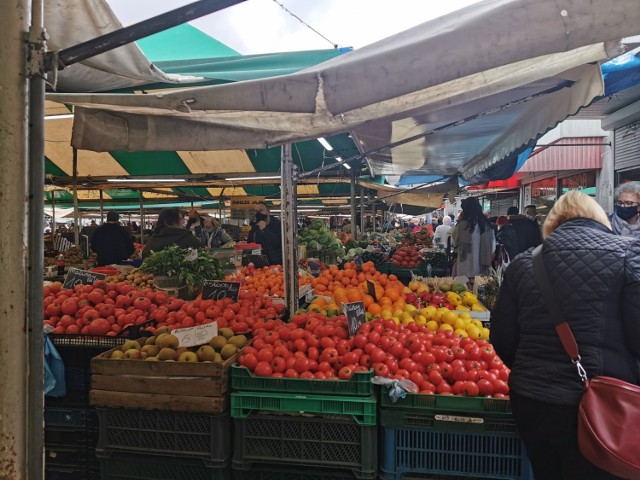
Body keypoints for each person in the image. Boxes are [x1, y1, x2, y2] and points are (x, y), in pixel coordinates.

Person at [490, 191, 640, 480]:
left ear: (551, 223)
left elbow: (503, 338)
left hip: (534, 400)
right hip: (607, 404)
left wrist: (533, 369)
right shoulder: (629, 254)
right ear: (599, 218)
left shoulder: (524, 264)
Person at [450, 197, 495, 277]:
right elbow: (492, 248)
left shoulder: (461, 226)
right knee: (480, 287)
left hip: (464, 269)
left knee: (462, 288)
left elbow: (453, 242)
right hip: (482, 271)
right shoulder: (487, 226)